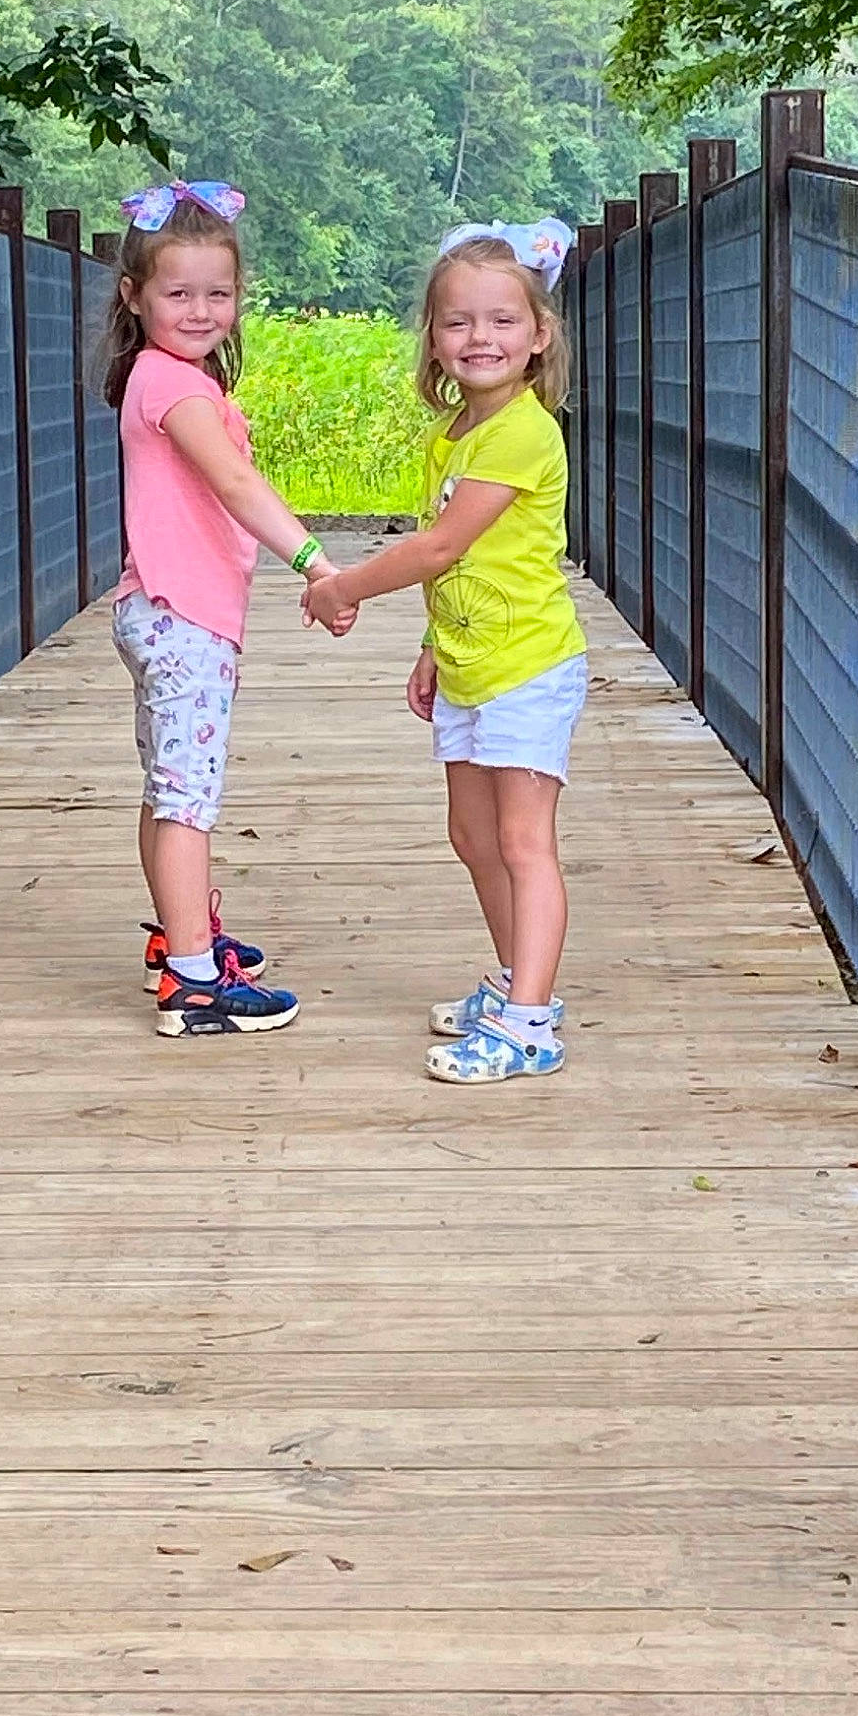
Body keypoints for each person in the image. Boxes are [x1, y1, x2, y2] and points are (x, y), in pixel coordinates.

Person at [304, 218, 586, 1084]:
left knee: (522, 839)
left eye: (503, 321)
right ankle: (514, 982)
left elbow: (436, 549)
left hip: (530, 663)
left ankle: (531, 1022)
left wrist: (342, 586)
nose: (480, 338)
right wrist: (432, 642)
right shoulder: (460, 432)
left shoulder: (522, 434)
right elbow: (462, 562)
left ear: (539, 336)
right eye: (458, 321)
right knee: (470, 832)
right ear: (432, 337)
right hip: (472, 662)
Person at [106, 178, 353, 1038]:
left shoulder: (163, 376)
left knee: (167, 789)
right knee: (188, 799)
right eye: (178, 293)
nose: (202, 309)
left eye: (219, 293)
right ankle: (193, 980)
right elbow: (235, 481)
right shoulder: (172, 386)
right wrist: (315, 561)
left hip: (161, 610)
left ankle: (182, 938)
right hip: (185, 620)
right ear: (135, 297)